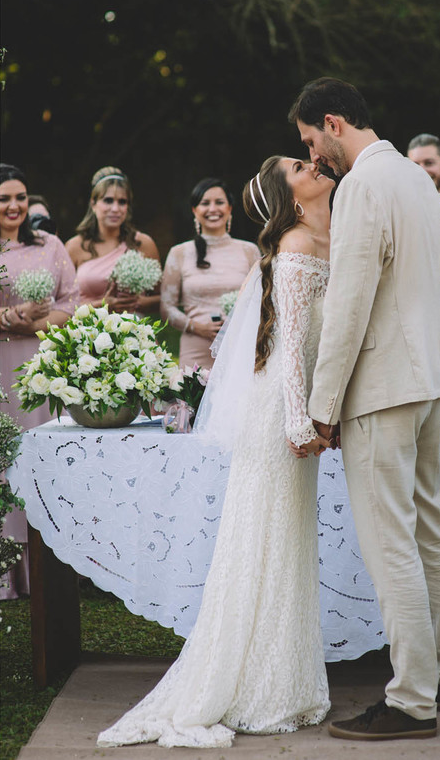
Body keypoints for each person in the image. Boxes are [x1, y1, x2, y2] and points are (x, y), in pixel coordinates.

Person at [99, 154, 334, 749]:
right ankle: (256, 686)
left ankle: (281, 680)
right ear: (291, 198)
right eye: (300, 167)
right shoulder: (298, 245)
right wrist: (299, 421)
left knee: (285, 542)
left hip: (291, 406)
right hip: (279, 415)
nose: (313, 165)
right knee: (265, 541)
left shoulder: (315, 237)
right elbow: (291, 346)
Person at [294, 77, 440, 741]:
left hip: (385, 384)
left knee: (390, 539)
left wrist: (323, 406)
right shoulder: (415, 179)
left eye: (311, 141)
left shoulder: (363, 186)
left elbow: (350, 303)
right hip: (430, 379)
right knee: (428, 527)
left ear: (333, 122)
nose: (313, 159)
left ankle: (412, 701)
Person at [0, 164, 78, 600]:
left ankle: (49, 568)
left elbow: (71, 301)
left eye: (20, 197)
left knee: (39, 454)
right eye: (3, 199)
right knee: (1, 459)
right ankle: (5, 571)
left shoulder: (49, 245)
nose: (14, 206)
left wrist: (36, 324)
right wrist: (8, 316)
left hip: (38, 363)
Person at [160, 178, 260, 371]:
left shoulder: (249, 251)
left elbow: (260, 301)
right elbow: (166, 308)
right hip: (195, 350)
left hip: (239, 346)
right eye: (205, 203)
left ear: (230, 208)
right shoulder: (179, 253)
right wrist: (197, 327)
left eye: (219, 202)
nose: (213, 209)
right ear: (194, 210)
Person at [66, 167, 160, 315]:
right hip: (88, 327)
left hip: (133, 327)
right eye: (108, 201)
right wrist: (102, 305)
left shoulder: (143, 243)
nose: (115, 209)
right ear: (93, 204)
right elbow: (62, 305)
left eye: (122, 202)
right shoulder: (75, 246)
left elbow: (163, 298)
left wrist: (138, 302)